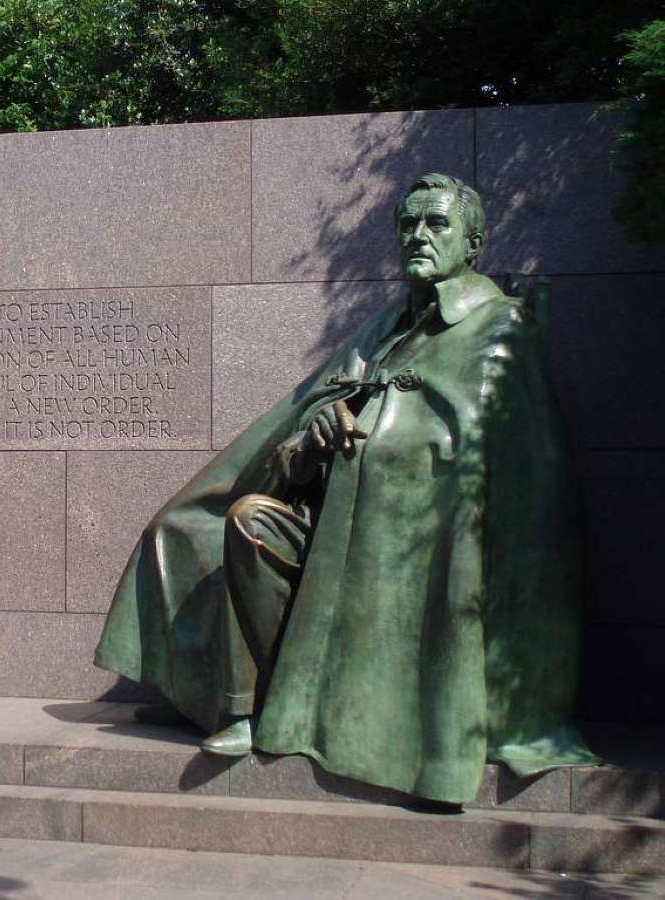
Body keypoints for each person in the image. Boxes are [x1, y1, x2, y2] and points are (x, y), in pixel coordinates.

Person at [94, 173, 597, 805]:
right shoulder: (382, 327)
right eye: (408, 225)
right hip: (333, 515)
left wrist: (376, 437)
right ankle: (230, 701)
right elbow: (306, 422)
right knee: (214, 523)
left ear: (473, 243)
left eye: (437, 225)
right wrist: (311, 439)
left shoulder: (498, 329)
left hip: (414, 541)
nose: (419, 236)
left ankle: (288, 710)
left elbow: (484, 454)